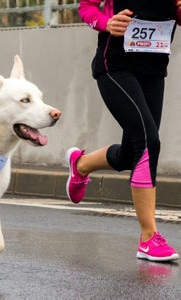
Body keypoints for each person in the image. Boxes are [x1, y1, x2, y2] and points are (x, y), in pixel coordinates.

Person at [66, 0, 181, 262]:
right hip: (115, 67)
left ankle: (80, 164)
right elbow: (86, 7)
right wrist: (106, 23)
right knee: (149, 143)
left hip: (153, 70)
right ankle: (149, 238)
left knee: (132, 154)